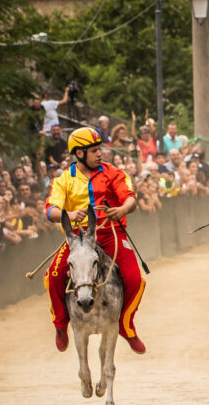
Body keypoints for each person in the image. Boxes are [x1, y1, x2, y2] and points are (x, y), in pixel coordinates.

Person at [43, 127, 147, 354]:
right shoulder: (63, 180)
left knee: (135, 279)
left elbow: (131, 199)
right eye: (94, 151)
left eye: (99, 150)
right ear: (79, 153)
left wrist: (122, 210)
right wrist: (68, 216)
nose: (99, 154)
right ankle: (60, 324)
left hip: (111, 233)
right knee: (53, 276)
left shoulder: (114, 173)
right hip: (78, 238)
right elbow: (50, 209)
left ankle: (125, 324)